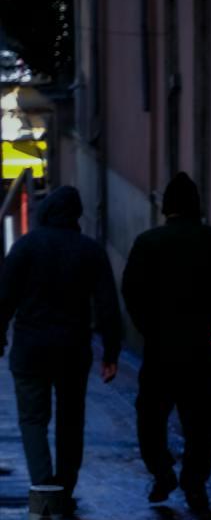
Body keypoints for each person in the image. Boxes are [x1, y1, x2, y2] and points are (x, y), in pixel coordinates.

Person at [120, 172, 211, 512]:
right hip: (204, 349)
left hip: (162, 348)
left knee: (150, 415)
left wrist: (149, 328)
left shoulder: (148, 242)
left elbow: (131, 292)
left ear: (166, 207)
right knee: (200, 422)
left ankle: (162, 471)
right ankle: (195, 482)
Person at [0, 185, 122, 499]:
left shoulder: (26, 247)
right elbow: (108, 305)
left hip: (29, 347)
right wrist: (111, 353)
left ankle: (45, 487)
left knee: (32, 419)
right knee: (71, 420)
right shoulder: (89, 250)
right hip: (72, 348)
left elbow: (4, 299)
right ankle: (65, 486)